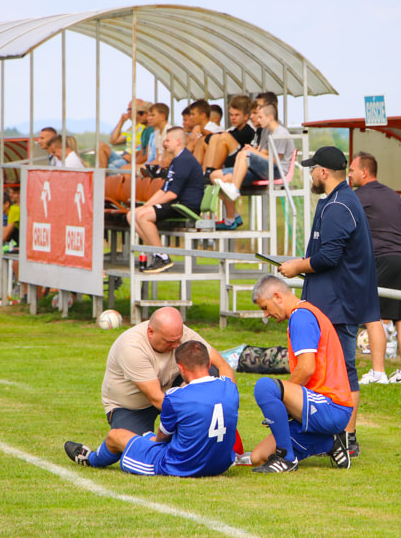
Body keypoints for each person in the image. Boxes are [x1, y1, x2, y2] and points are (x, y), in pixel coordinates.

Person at [278, 146, 381, 457]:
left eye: (312, 168)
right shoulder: (336, 201)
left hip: (339, 304)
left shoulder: (339, 205)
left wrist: (297, 266)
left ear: (323, 172)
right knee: (331, 370)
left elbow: (329, 258)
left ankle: (346, 438)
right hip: (333, 302)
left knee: (343, 370)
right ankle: (331, 434)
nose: (310, 173)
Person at [65, 340, 239, 478]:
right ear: (209, 364)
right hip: (221, 463)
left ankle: (91, 459)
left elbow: (162, 438)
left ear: (181, 368)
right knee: (145, 435)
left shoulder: (176, 397)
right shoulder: (229, 387)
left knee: (116, 436)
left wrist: (150, 442)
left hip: (181, 466)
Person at [249, 275, 353, 473]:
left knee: (265, 387)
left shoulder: (301, 316)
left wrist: (282, 400)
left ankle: (287, 460)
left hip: (331, 405)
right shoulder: (302, 315)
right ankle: (329, 442)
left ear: (278, 297)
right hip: (319, 406)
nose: (265, 315)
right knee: (259, 456)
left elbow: (306, 368)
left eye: (265, 307)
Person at [100, 306, 236, 435]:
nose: (177, 345)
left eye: (178, 339)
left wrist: (229, 404)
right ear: (151, 332)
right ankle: (92, 457)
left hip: (171, 391)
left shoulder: (179, 332)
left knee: (209, 371)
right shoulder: (131, 348)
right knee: (140, 454)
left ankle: (190, 432)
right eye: (169, 342)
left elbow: (223, 366)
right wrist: (197, 416)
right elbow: (156, 398)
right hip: (132, 406)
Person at [348, 152, 401, 385]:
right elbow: (400, 227)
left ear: (364, 172)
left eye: (352, 170)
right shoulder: (393, 195)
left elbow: (351, 230)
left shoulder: (358, 196)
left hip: (381, 258)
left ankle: (378, 373)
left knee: (373, 315)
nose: (349, 174)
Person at [128, 127, 205, 274]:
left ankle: (162, 257)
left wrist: (147, 208)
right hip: (176, 204)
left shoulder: (184, 160)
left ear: (177, 142)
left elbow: (172, 195)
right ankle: (157, 253)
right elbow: (164, 189)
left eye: (167, 140)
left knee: (143, 216)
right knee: (132, 215)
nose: (164, 143)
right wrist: (146, 205)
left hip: (185, 207)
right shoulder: (177, 160)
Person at [210, 103, 295, 230]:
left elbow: (275, 161)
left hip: (277, 171)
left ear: (270, 117)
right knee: (216, 176)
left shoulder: (280, 133)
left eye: (260, 117)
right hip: (261, 169)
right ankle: (232, 218)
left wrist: (252, 152)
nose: (257, 119)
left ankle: (234, 189)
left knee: (244, 154)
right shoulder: (267, 132)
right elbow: (263, 154)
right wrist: (254, 151)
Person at [200, 95, 256, 174]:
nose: (233, 118)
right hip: (234, 161)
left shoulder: (247, 131)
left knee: (220, 138)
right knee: (203, 140)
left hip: (242, 164)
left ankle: (209, 173)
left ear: (246, 116)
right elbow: (208, 139)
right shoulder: (235, 130)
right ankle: (204, 172)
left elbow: (214, 137)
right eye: (231, 115)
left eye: (237, 115)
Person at [98, 100, 151, 169]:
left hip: (133, 158)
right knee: (101, 146)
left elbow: (145, 151)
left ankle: (103, 175)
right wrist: (121, 121)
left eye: (131, 109)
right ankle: (103, 173)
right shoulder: (131, 129)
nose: (128, 112)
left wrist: (133, 158)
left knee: (109, 169)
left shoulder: (147, 128)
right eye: (128, 109)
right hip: (124, 156)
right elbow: (114, 141)